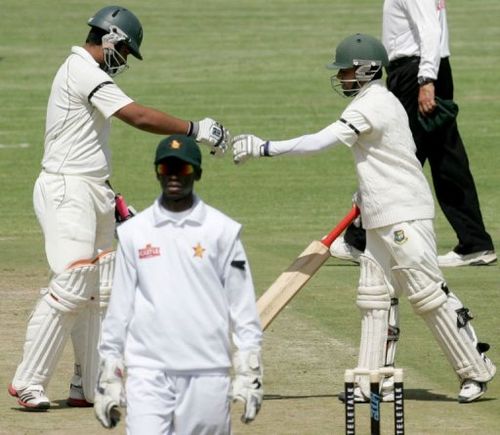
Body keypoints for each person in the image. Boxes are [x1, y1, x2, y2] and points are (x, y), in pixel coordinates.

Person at [231, 33, 495, 403]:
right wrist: (367, 193)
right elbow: (384, 156)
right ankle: (374, 380)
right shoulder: (375, 101)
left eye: (346, 71)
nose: (341, 78)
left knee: (427, 294)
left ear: (368, 70)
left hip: (404, 212)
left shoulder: (373, 103)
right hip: (379, 214)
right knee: (374, 297)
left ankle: (476, 369)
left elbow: (320, 142)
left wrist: (265, 148)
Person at [8, 5, 230, 410]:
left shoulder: (89, 74)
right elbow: (137, 116)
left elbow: (89, 144)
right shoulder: (82, 69)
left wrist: (110, 195)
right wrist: (195, 129)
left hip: (92, 189)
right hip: (65, 188)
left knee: (102, 290)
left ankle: (89, 385)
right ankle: (28, 382)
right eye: (124, 52)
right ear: (110, 39)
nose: (124, 61)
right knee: (74, 284)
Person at [93, 135, 263, 433]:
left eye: (183, 169)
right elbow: (119, 308)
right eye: (166, 168)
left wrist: (249, 369)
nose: (174, 176)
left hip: (207, 369)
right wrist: (109, 373)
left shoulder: (221, 231)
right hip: (148, 370)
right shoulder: (134, 232)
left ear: (196, 173)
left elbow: (242, 305)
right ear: (157, 171)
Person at [332, 0, 496, 268]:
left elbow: (430, 30)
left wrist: (425, 80)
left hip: (416, 74)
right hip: (425, 71)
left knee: (396, 155)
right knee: (447, 160)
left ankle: (357, 239)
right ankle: (475, 242)